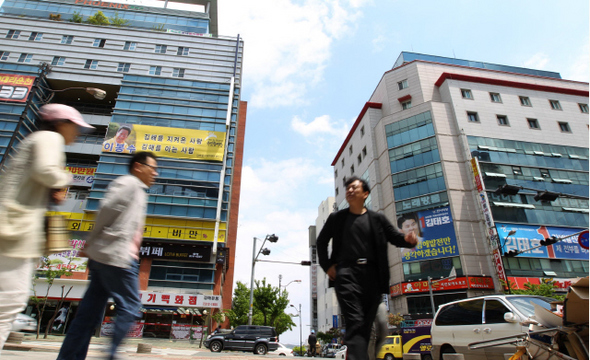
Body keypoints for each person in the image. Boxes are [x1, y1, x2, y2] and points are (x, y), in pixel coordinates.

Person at [0, 104, 93, 353]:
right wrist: (65, 178)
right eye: (75, 127)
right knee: (10, 300)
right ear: (61, 123)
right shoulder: (50, 137)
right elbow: (46, 171)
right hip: (14, 230)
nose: (78, 133)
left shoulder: (35, 139)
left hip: (11, 228)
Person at [57, 151, 158, 360]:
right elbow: (106, 209)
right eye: (152, 168)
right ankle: (111, 354)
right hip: (118, 257)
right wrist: (91, 241)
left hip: (105, 258)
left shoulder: (137, 189)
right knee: (130, 306)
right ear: (138, 167)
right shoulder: (129, 183)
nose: (155, 173)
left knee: (87, 316)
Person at [317, 176, 418, 360]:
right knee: (355, 323)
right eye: (348, 188)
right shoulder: (336, 218)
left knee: (366, 329)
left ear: (365, 194)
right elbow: (321, 242)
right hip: (346, 274)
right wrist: (327, 266)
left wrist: (408, 241)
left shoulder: (377, 219)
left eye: (354, 187)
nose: (349, 190)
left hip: (372, 279)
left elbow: (395, 237)